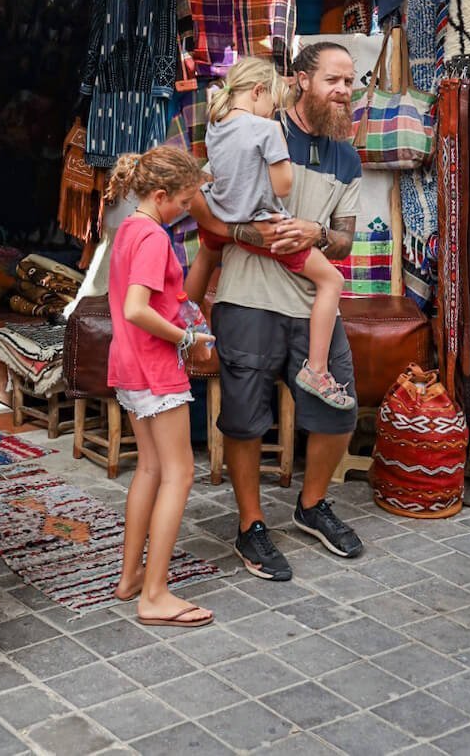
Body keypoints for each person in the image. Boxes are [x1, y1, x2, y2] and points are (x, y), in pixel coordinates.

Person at [191, 41, 364, 582]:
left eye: (350, 82)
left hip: (314, 304)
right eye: (334, 80)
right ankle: (251, 525)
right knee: (244, 420)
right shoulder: (256, 127)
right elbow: (198, 198)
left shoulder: (347, 155)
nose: (345, 91)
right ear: (300, 81)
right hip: (248, 298)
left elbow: (345, 241)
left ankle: (312, 505)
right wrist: (246, 231)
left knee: (341, 411)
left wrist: (317, 232)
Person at [185, 57, 353, 411]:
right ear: (258, 91)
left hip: (220, 213)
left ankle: (181, 320)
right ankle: (318, 370)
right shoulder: (265, 129)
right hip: (266, 226)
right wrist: (276, 152)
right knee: (331, 281)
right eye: (272, 105)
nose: (272, 113)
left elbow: (213, 177)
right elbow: (283, 184)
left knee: (207, 252)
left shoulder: (215, 124)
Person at [106, 146, 217, 628]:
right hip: (154, 367)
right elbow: (137, 308)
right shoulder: (153, 236)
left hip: (129, 365)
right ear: (160, 195)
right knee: (179, 473)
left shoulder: (129, 227)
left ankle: (131, 578)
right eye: (187, 200)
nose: (190, 209)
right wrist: (188, 337)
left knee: (150, 468)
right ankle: (154, 594)